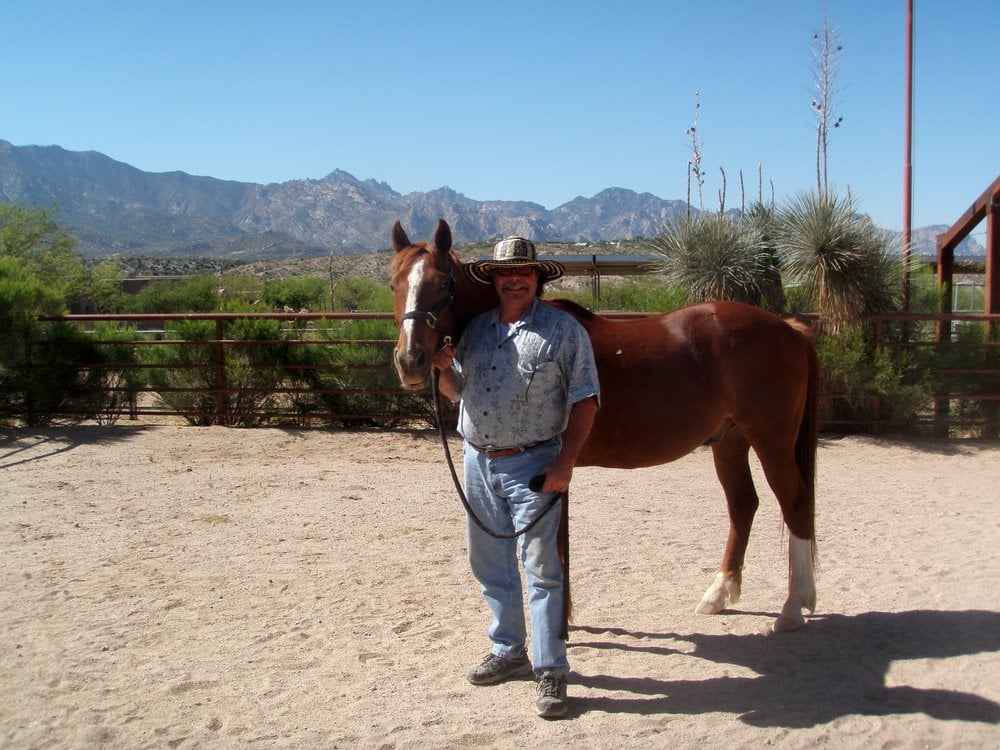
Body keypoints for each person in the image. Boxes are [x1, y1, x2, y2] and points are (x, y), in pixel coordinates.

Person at [431, 236, 600, 719]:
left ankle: (550, 668)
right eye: (507, 273)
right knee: (489, 562)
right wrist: (442, 371)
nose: (515, 279)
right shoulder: (477, 332)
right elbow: (456, 392)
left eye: (525, 273)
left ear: (538, 279)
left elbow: (585, 399)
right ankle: (508, 650)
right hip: (477, 459)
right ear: (495, 279)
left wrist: (564, 464)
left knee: (542, 567)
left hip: (533, 463)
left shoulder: (563, 331)